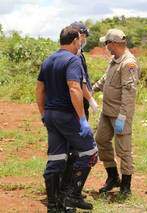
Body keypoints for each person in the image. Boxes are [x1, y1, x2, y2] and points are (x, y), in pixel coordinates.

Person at [35, 26, 98, 212]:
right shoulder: (73, 60)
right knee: (89, 152)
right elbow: (74, 87)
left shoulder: (48, 60)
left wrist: (43, 114)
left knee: (57, 158)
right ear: (75, 41)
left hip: (51, 115)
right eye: (80, 39)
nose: (81, 42)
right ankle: (72, 196)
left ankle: (54, 205)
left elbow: (39, 90)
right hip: (66, 115)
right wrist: (82, 119)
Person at [92, 29, 139, 196]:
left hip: (120, 114)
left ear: (114, 43)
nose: (106, 46)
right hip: (107, 112)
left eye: (107, 43)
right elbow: (106, 79)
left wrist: (123, 116)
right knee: (101, 140)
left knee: (123, 150)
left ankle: (126, 186)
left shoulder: (128, 63)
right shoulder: (114, 60)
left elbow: (129, 92)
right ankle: (113, 177)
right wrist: (92, 90)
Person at [59, 22, 99, 207]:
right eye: (83, 36)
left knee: (72, 150)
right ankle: (69, 191)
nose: (84, 40)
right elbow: (78, 84)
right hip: (76, 109)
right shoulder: (73, 55)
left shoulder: (77, 54)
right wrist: (90, 100)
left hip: (73, 109)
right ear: (78, 35)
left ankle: (65, 189)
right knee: (79, 151)